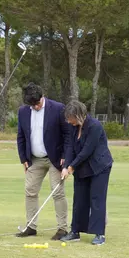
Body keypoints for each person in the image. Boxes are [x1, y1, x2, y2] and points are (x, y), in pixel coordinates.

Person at [15, 82, 71, 240]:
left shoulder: (58, 108)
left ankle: (62, 229)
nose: (36, 107)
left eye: (37, 103)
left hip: (55, 158)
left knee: (57, 192)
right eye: (32, 105)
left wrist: (65, 157)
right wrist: (23, 158)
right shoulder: (23, 112)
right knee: (30, 191)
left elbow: (68, 135)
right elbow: (21, 136)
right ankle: (31, 227)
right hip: (34, 159)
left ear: (42, 96)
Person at [60, 100, 113, 245]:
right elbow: (70, 147)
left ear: (78, 115)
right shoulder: (73, 127)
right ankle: (75, 231)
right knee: (79, 199)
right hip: (82, 167)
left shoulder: (95, 126)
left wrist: (72, 166)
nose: (68, 121)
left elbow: (87, 150)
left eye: (70, 118)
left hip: (99, 166)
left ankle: (99, 234)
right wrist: (65, 166)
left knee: (96, 199)